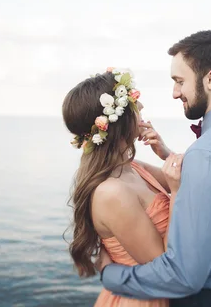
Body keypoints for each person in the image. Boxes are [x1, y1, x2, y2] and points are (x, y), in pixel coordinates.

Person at [97, 30, 211, 306]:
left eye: (180, 81)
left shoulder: (206, 155)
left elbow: (184, 277)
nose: (175, 92)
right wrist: (168, 155)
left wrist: (111, 276)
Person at [62, 67, 182, 306]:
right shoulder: (111, 192)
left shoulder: (133, 167)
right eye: (134, 104)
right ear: (117, 120)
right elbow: (163, 266)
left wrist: (165, 154)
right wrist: (176, 193)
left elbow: (187, 180)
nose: (142, 108)